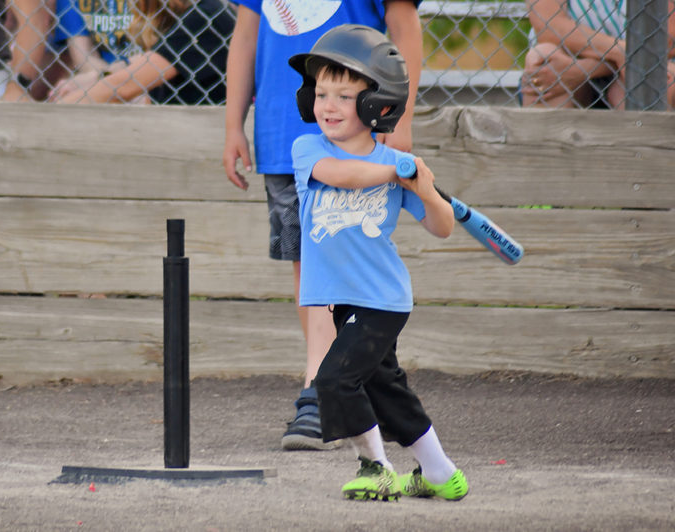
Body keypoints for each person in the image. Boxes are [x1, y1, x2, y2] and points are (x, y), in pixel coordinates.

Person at [222, 0, 423, 451]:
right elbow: (246, 37)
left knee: (353, 263)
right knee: (308, 266)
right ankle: (328, 385)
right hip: (283, 133)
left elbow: (405, 27)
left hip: (356, 138)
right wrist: (233, 123)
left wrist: (401, 117)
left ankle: (328, 390)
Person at [288, 24, 468, 501]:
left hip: (382, 298)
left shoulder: (396, 165)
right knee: (386, 390)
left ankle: (375, 467)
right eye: (321, 93)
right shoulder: (309, 150)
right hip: (344, 300)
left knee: (335, 381)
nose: (326, 105)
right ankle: (439, 471)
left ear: (377, 105)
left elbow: (442, 226)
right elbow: (343, 175)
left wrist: (425, 188)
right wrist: (396, 170)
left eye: (343, 97)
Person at [49, 0, 234, 104]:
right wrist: (96, 77)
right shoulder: (188, 15)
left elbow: (124, 86)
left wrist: (57, 109)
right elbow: (137, 65)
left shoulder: (207, 16)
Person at [522, 0, 675, 109]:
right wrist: (621, 53)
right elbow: (549, 27)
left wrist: (583, 70)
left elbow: (666, 40)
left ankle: (640, 153)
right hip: (573, 60)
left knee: (659, 78)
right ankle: (545, 151)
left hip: (642, 62)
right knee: (543, 61)